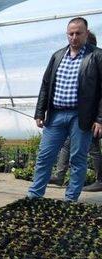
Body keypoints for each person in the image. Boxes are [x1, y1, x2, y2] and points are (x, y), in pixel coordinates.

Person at [44, 30, 102, 193]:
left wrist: (99, 118)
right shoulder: (75, 62)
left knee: (92, 146)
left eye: (79, 36)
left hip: (91, 116)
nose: (74, 40)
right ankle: (60, 175)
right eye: (71, 35)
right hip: (75, 116)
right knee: (67, 144)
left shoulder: (96, 62)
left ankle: (101, 179)